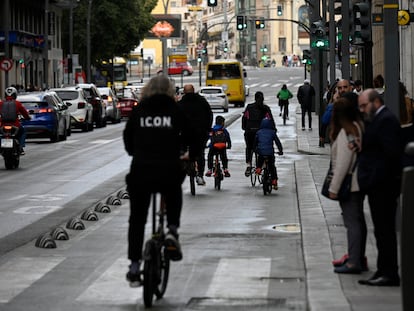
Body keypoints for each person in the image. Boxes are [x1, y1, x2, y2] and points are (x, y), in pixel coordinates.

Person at [123, 75, 191, 287]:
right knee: (174, 189)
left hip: (141, 171)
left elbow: (127, 140)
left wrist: (138, 151)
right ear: (170, 90)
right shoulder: (175, 109)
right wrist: (187, 153)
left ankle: (134, 267)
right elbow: (191, 134)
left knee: (137, 220)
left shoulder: (139, 110)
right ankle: (171, 230)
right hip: (168, 169)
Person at [357, 89, 403, 286]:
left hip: (383, 185)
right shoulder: (378, 119)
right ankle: (383, 270)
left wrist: (375, 178)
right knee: (381, 230)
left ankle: (389, 272)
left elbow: (390, 153)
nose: (362, 110)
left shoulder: (386, 120)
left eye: (364, 105)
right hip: (378, 184)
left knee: (385, 231)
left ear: (376, 102)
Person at [327, 97, 367, 274]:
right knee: (359, 221)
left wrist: (333, 189)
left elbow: (342, 164)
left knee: (352, 223)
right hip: (358, 182)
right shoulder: (358, 126)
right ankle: (357, 256)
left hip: (350, 184)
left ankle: (353, 262)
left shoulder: (345, 133)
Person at [178, 84, 213, 186]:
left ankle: (185, 167)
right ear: (193, 91)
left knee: (182, 151)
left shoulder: (180, 104)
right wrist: (207, 128)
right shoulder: (202, 101)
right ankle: (200, 175)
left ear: (184, 92)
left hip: (184, 134)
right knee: (200, 153)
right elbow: (209, 114)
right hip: (200, 133)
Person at [242, 91, 275, 177]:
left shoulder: (249, 107)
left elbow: (244, 118)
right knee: (262, 146)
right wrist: (273, 129)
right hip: (261, 132)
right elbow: (270, 119)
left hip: (250, 131)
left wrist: (244, 128)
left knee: (249, 147)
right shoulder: (266, 108)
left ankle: (248, 164)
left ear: (255, 98)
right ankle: (263, 164)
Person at [254, 118, 283, 189]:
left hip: (261, 152)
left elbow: (255, 143)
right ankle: (274, 180)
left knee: (260, 159)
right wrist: (280, 150)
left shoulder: (258, 132)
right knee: (272, 166)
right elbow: (277, 142)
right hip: (270, 153)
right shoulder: (272, 132)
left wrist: (255, 149)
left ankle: (258, 168)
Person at [0, 86, 31, 154]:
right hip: (15, 125)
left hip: (3, 125)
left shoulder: (1, 103)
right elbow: (24, 113)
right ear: (15, 95)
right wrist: (28, 118)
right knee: (23, 132)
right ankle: (21, 147)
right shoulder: (17, 103)